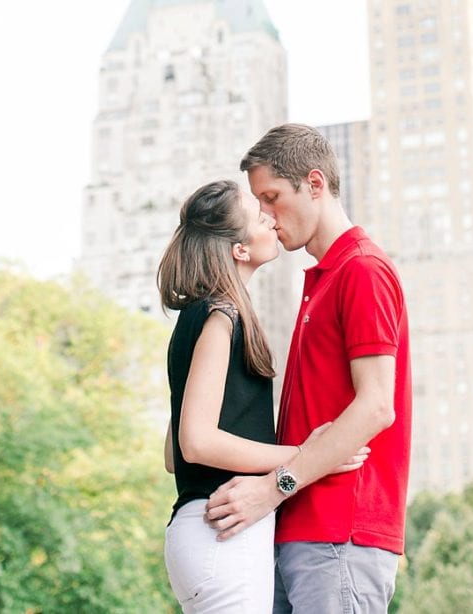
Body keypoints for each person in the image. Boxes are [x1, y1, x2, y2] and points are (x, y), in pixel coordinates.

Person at [203, 124, 413, 614]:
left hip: (341, 533)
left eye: (272, 197)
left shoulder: (362, 269)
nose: (267, 216)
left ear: (314, 184)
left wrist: (271, 489)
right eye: (259, 203)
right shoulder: (322, 278)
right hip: (299, 531)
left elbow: (377, 405)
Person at [158, 179, 369, 613]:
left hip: (206, 532)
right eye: (259, 216)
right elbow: (195, 443)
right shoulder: (221, 316)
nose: (271, 219)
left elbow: (172, 454)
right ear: (239, 249)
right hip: (220, 532)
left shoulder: (197, 318)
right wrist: (304, 453)